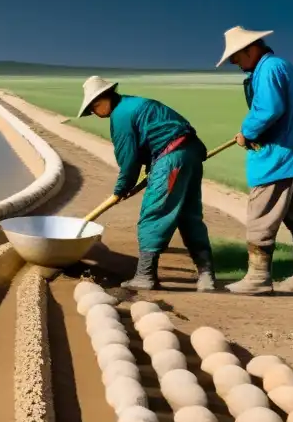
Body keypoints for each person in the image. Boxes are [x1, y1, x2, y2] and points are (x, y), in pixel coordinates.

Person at [77, 76, 217, 291]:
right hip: (190, 155)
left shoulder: (121, 116)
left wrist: (122, 188)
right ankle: (207, 277)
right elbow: (176, 129)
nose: (95, 113)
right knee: (189, 215)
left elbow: (128, 160)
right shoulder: (138, 103)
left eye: (94, 107)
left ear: (104, 98)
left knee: (154, 214)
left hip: (171, 159)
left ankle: (145, 276)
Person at [216, 26, 293, 295]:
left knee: (261, 213)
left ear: (250, 50)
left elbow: (269, 109)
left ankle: (258, 277)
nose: (235, 63)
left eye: (236, 57)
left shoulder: (267, 70)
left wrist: (248, 132)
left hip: (278, 157)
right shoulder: (286, 67)